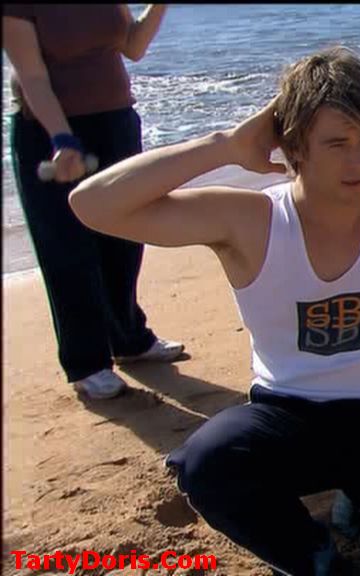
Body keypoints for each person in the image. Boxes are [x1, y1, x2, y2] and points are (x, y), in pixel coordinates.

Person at [68, 47, 360, 576]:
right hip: (287, 418)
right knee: (209, 462)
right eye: (336, 143)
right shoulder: (252, 219)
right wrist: (225, 145)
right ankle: (319, 560)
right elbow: (93, 204)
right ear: (294, 146)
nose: (358, 161)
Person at [3, 4, 184, 400]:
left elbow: (133, 46)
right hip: (50, 133)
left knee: (124, 238)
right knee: (67, 250)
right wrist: (61, 138)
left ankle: (129, 339)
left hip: (116, 123)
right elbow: (32, 77)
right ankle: (87, 362)